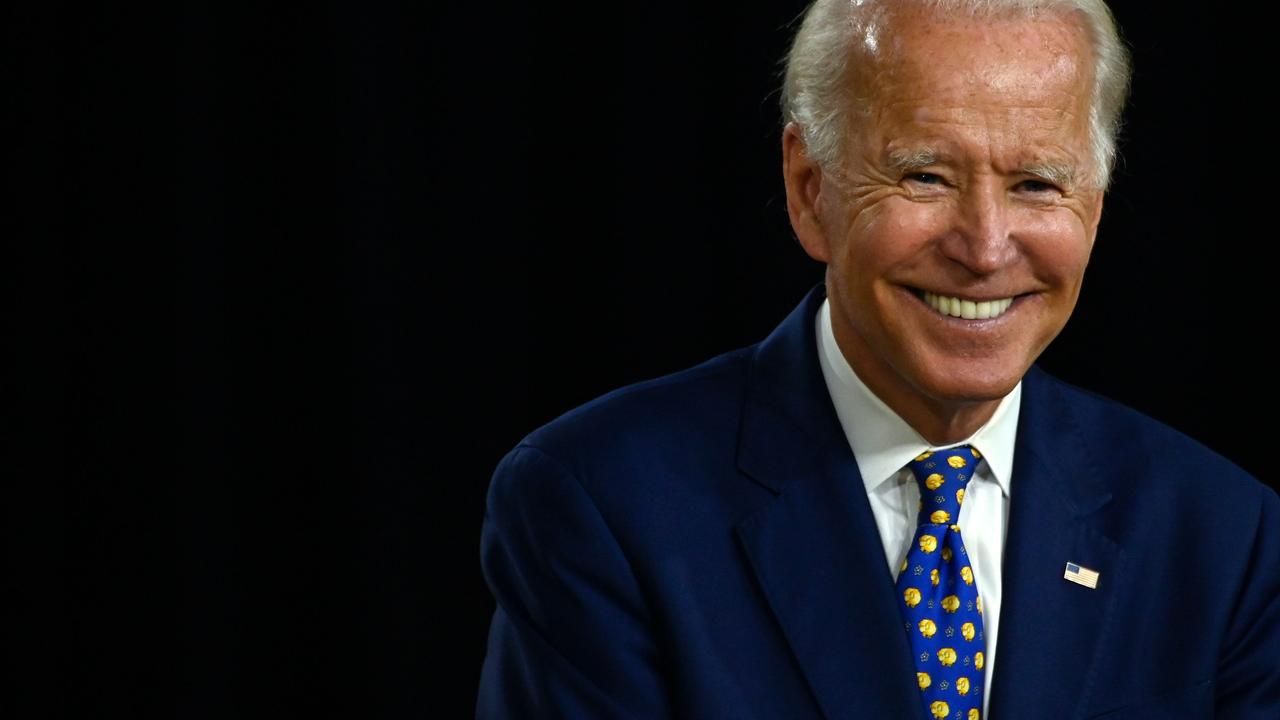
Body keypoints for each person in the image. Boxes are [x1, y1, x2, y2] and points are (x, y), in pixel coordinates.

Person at [476, 1, 1280, 718]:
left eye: (1037, 183)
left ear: (1094, 211)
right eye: (924, 176)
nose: (986, 247)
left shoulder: (1221, 536)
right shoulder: (602, 504)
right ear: (808, 189)